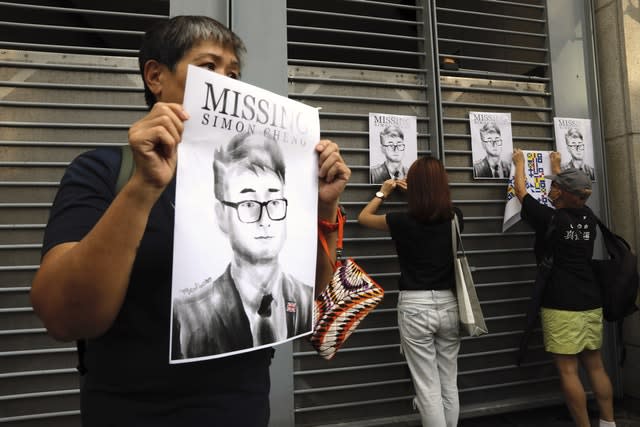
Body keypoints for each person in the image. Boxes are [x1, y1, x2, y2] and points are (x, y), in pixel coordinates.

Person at [29, 15, 350, 426]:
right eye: (209, 68)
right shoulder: (103, 171)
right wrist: (144, 187)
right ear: (155, 77)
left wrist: (321, 208)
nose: (227, 82)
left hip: (245, 409)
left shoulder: (259, 180)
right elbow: (64, 316)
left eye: (234, 73)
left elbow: (313, 296)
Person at [172, 133, 313, 359]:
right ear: (221, 215)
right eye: (248, 204)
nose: (264, 219)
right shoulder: (189, 316)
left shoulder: (306, 299)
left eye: (275, 202)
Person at [512, 149, 615, 427]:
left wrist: (520, 163)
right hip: (591, 300)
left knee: (568, 371)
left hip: (561, 302)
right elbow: (568, 194)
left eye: (555, 186)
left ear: (561, 192)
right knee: (595, 365)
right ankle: (609, 423)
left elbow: (521, 191)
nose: (552, 189)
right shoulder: (589, 217)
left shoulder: (551, 218)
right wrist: (557, 167)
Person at [358, 156, 462, 427]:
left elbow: (364, 217)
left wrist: (384, 191)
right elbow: (433, 214)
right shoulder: (455, 217)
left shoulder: (401, 220)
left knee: (427, 387)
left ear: (412, 186)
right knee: (448, 381)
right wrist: (419, 194)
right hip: (450, 304)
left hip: (415, 307)